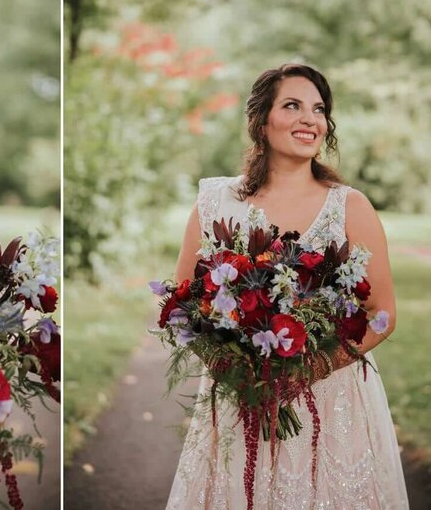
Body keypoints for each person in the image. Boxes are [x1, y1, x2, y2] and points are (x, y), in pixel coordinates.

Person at [166, 63, 409, 509]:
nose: (309, 119)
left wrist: (303, 373)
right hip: (240, 396)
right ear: (261, 122)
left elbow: (383, 313)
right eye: (292, 105)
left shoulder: (350, 207)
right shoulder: (216, 201)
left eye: (318, 110)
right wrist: (237, 370)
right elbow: (182, 303)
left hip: (331, 398)